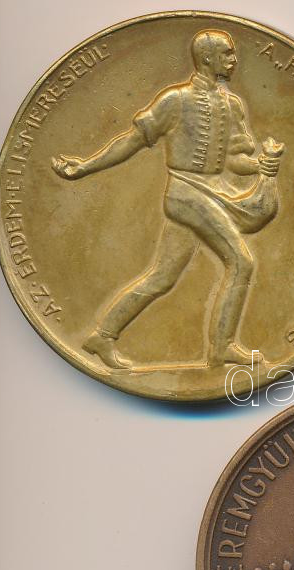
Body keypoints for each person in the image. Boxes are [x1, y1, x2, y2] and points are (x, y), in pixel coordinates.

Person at [52, 29, 281, 369]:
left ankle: (103, 336)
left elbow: (235, 160)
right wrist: (85, 166)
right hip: (186, 193)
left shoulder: (232, 104)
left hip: (212, 194)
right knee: (241, 262)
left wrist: (261, 164)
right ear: (207, 59)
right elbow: (131, 140)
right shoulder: (176, 100)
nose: (234, 60)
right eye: (228, 54)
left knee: (162, 277)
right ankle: (222, 347)